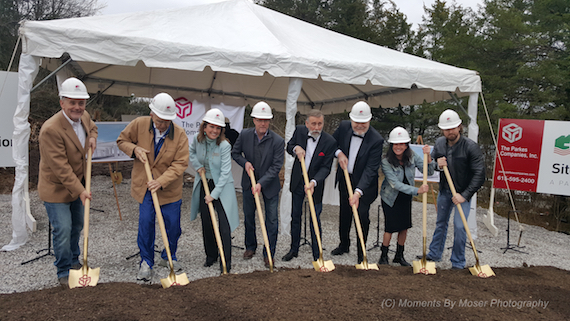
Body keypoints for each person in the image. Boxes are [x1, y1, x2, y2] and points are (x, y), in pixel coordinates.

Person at [117, 93, 189, 281]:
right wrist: (134, 149)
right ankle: (146, 261)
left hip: (169, 189)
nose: (162, 125)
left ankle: (168, 256)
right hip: (145, 186)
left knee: (173, 226)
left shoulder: (179, 135)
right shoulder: (139, 124)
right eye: (159, 121)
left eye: (166, 121)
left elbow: (180, 163)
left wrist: (162, 181)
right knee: (146, 224)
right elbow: (122, 141)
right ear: (151, 114)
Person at [38, 77, 98, 287]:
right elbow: (61, 168)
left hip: (78, 184)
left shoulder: (84, 116)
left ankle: (74, 260)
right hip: (56, 188)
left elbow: (92, 127)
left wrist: (92, 137)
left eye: (81, 103)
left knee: (78, 224)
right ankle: (63, 270)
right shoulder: (50, 130)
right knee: (63, 228)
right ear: (62, 102)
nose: (77, 107)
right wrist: (81, 190)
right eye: (72, 102)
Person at [423, 109, 485, 270]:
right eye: (446, 129)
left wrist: (464, 196)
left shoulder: (470, 147)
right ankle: (434, 253)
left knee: (459, 225)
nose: (450, 131)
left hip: (462, 193)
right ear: (442, 130)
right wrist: (437, 163)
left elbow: (480, 174)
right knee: (441, 223)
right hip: (445, 190)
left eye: (452, 128)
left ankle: (457, 262)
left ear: (459, 127)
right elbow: (435, 164)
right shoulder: (439, 143)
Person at [232, 101, 284, 268]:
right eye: (260, 119)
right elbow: (235, 153)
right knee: (249, 216)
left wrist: (261, 183)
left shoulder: (277, 141)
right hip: (249, 182)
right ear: (253, 119)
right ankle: (250, 246)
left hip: (269, 185)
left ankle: (269, 252)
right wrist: (245, 163)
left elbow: (276, 166)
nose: (263, 123)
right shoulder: (245, 135)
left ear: (269, 121)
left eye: (266, 120)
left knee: (272, 220)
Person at [331, 101, 384, 264]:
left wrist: (358, 192)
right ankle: (344, 244)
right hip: (346, 178)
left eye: (363, 122)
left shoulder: (376, 140)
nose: (360, 125)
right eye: (357, 122)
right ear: (351, 120)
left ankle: (361, 252)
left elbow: (371, 170)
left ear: (369, 121)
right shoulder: (344, 127)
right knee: (345, 213)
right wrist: (339, 153)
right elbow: (331, 143)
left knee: (361, 215)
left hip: (365, 185)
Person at [282, 110, 337, 262]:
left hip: (315, 185)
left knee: (315, 218)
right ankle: (293, 249)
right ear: (307, 124)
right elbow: (289, 146)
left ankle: (317, 253)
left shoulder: (329, 141)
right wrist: (295, 149)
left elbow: (326, 167)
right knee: (296, 217)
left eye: (319, 124)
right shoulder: (299, 131)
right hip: (298, 181)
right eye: (313, 123)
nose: (316, 127)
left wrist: (314, 182)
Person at [189, 109, 239, 273]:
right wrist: (198, 166)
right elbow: (191, 153)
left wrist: (214, 195)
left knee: (225, 224)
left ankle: (226, 260)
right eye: (211, 127)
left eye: (218, 128)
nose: (214, 131)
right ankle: (211, 256)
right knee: (207, 222)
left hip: (223, 187)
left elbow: (225, 173)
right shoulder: (198, 140)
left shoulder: (224, 145)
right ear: (205, 127)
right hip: (205, 183)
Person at [378, 127, 434, 266]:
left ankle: (399, 255)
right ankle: (384, 256)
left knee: (404, 227)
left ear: (406, 145)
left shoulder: (413, 155)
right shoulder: (386, 162)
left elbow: (430, 171)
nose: (399, 147)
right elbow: (395, 184)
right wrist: (417, 190)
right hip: (390, 198)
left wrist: (429, 157)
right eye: (396, 144)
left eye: (402, 144)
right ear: (391, 145)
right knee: (390, 228)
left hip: (405, 197)